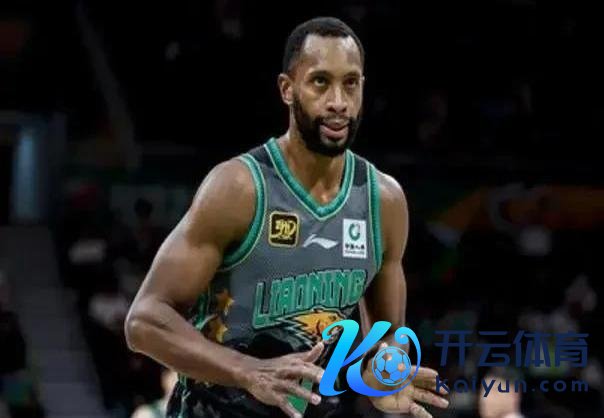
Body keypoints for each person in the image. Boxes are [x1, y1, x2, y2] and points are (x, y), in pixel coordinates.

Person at [125, 17, 448, 418]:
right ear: (287, 89)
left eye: (350, 83)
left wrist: (382, 376)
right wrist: (248, 371)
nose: (338, 101)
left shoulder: (384, 201)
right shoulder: (239, 188)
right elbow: (144, 322)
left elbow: (387, 338)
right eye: (320, 82)